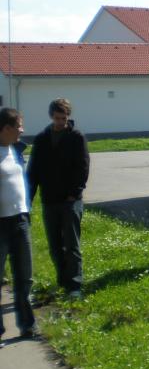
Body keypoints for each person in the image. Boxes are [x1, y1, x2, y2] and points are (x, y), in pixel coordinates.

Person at [26, 98, 90, 299]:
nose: (61, 122)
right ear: (51, 116)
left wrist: (75, 191)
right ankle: (62, 280)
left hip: (71, 200)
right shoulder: (42, 139)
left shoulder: (76, 137)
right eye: (57, 118)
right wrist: (28, 197)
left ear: (68, 116)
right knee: (55, 244)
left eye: (64, 118)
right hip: (49, 199)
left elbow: (83, 166)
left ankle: (75, 285)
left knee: (72, 244)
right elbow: (33, 170)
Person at [0, 108, 37, 342]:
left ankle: (27, 325)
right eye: (19, 126)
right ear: (5, 128)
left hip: (20, 219)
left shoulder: (16, 149)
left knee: (24, 275)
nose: (22, 130)